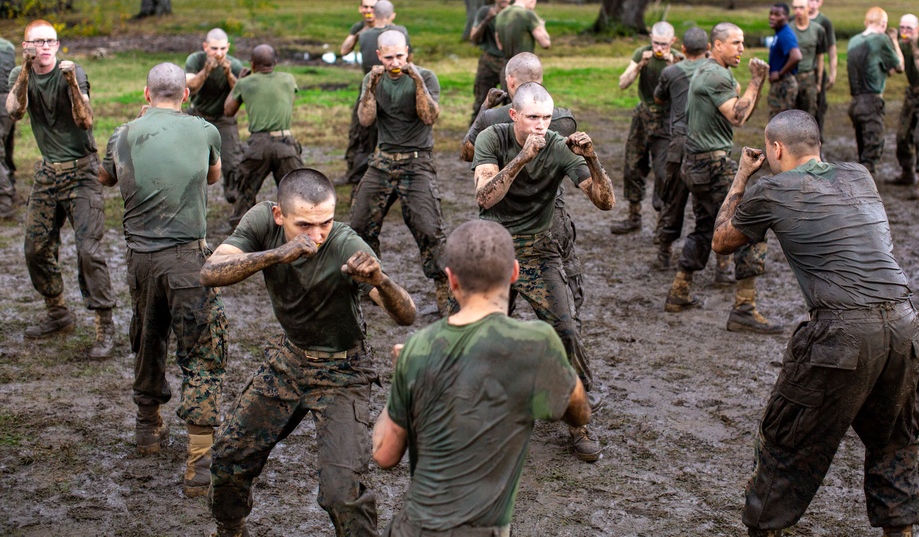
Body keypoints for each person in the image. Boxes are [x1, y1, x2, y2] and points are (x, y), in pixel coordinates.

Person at [712, 110, 919, 537]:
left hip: (842, 332)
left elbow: (721, 240)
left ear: (775, 149)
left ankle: (765, 528)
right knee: (895, 442)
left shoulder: (771, 189)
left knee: (787, 443)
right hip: (904, 323)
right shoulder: (860, 175)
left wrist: (742, 178)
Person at [201, 168, 416, 537]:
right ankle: (230, 527)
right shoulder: (261, 222)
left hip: (343, 373)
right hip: (290, 361)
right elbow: (211, 272)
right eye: (304, 225)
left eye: (326, 222)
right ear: (279, 216)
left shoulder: (347, 245)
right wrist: (276, 255)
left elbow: (406, 314)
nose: (316, 235)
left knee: (341, 493)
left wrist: (380, 281)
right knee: (229, 457)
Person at [372, 219, 591, 537]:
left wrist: (403, 375)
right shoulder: (536, 343)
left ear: (451, 281)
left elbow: (384, 455)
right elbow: (580, 413)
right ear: (515, 273)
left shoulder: (418, 349)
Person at [98, 62, 227, 498]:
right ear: (186, 95)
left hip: (141, 262)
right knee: (202, 353)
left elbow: (104, 177)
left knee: (148, 336)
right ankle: (199, 463)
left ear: (146, 94)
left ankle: (147, 429)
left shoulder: (123, 134)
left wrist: (137, 128)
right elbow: (214, 176)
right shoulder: (205, 130)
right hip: (189, 260)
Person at [473, 81, 615, 461]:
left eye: (547, 118)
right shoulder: (492, 137)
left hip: (539, 251)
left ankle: (577, 419)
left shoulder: (557, 144)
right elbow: (485, 197)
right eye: (533, 117)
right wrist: (520, 159)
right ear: (514, 115)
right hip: (495, 249)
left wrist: (592, 159)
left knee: (564, 331)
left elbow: (605, 202)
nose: (541, 126)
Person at [6, 20, 116, 357]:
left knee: (89, 251)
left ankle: (105, 327)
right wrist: (25, 70)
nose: (45, 47)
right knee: (34, 249)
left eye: (50, 41)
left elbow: (85, 120)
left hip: (82, 172)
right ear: (25, 46)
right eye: (37, 42)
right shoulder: (19, 76)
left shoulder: (74, 72)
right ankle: (57, 312)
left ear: (57, 45)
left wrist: (70, 81)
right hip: (47, 174)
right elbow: (15, 111)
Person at [662, 23, 778, 334]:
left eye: (742, 43)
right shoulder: (716, 75)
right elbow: (739, 116)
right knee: (749, 228)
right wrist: (756, 81)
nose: (742, 49)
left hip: (695, 164)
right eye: (735, 43)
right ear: (717, 45)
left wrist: (748, 87)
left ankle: (680, 291)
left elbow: (737, 108)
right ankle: (744, 307)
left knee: (704, 227)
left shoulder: (706, 69)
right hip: (711, 165)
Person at [461, 52, 588, 315]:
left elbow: (466, 152)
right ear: (541, 81)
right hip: (551, 209)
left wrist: (485, 107)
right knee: (563, 275)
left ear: (510, 82)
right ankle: (568, 324)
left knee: (498, 284)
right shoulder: (564, 119)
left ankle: (499, 321)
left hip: (502, 209)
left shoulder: (492, 118)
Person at [349, 30, 453, 316]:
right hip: (382, 161)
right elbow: (365, 119)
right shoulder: (374, 79)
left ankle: (445, 294)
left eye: (400, 56)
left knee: (430, 229)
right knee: (358, 225)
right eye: (389, 57)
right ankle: (368, 286)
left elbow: (429, 116)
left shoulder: (426, 77)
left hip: (417, 163)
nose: (396, 61)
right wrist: (370, 86)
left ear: (407, 52)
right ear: (379, 56)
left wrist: (416, 79)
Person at [650, 27, 718, 276]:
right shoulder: (716, 72)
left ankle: (663, 253)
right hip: (707, 142)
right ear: (708, 49)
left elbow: (659, 99)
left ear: (684, 49)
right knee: (711, 202)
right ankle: (722, 265)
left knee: (672, 199)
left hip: (679, 143)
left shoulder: (670, 72)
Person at [611, 21, 681, 234]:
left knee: (663, 172)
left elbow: (683, 90)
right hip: (643, 116)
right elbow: (623, 83)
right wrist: (640, 64)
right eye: (656, 43)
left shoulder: (679, 59)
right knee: (632, 166)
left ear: (673, 41)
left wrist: (673, 67)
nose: (659, 49)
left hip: (666, 120)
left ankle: (662, 222)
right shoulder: (642, 53)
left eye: (664, 44)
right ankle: (634, 217)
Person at [223, 44, 304, 229]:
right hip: (285, 143)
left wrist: (239, 82)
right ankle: (299, 227)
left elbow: (228, 110)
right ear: (275, 62)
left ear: (252, 64)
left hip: (258, 146)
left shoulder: (245, 83)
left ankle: (242, 231)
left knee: (245, 191)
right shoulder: (288, 79)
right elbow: (289, 102)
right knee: (296, 191)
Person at [339, 0, 412, 187]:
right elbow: (409, 60)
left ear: (375, 14)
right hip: (396, 89)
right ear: (392, 15)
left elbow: (344, 50)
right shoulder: (400, 32)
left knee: (362, 133)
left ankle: (357, 176)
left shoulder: (365, 35)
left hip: (369, 87)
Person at [185, 28, 244, 204]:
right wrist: (205, 71)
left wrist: (228, 74)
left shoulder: (235, 65)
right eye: (214, 48)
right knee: (191, 162)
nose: (219, 53)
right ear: (205, 47)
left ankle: (233, 194)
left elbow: (240, 93)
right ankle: (190, 197)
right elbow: (191, 88)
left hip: (224, 119)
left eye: (223, 49)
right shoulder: (195, 60)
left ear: (228, 48)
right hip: (198, 116)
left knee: (232, 163)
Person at [886, 14, 919, 199]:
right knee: (901, 136)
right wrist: (892, 43)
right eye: (902, 28)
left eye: (909, 28)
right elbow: (894, 69)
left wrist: (914, 46)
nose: (905, 32)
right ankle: (907, 173)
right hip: (912, 95)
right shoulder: (901, 45)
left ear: (917, 29)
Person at [846, 7, 904, 176]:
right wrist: (894, 41)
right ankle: (866, 192)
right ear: (884, 24)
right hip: (872, 103)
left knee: (862, 148)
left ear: (866, 22)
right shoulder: (881, 39)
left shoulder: (854, 41)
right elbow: (899, 66)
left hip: (855, 103)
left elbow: (874, 69)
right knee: (872, 153)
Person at [468, 0, 512, 121]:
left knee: (511, 102)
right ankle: (473, 136)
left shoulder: (515, 14)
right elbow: (473, 38)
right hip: (488, 60)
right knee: (481, 101)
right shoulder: (485, 12)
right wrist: (488, 19)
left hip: (509, 63)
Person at [789, 0, 826, 124]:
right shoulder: (788, 29)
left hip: (809, 77)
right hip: (791, 77)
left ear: (808, 8)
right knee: (790, 117)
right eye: (795, 8)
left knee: (809, 117)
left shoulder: (818, 30)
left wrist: (819, 82)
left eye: (801, 7)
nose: (798, 11)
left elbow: (820, 56)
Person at [806, 0, 838, 136]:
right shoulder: (796, 19)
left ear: (821, 3)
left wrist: (833, 72)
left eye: (816, 0)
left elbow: (832, 49)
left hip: (817, 71)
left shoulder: (824, 22)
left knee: (819, 107)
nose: (813, 3)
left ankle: (818, 144)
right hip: (799, 71)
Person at [494, 0, 550, 66]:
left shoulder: (501, 14)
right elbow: (545, 44)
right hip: (524, 68)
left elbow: (499, 45)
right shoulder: (528, 14)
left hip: (506, 67)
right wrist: (541, 26)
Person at [766, 3, 802, 118]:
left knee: (781, 122)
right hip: (779, 84)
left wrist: (780, 73)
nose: (772, 17)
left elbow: (796, 56)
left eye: (777, 15)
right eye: (771, 14)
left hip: (784, 84)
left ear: (786, 17)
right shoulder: (779, 33)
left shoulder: (785, 34)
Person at [0, 35, 17, 218]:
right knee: (6, 147)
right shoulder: (8, 45)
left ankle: (4, 203)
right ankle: (12, 191)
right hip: (10, 100)